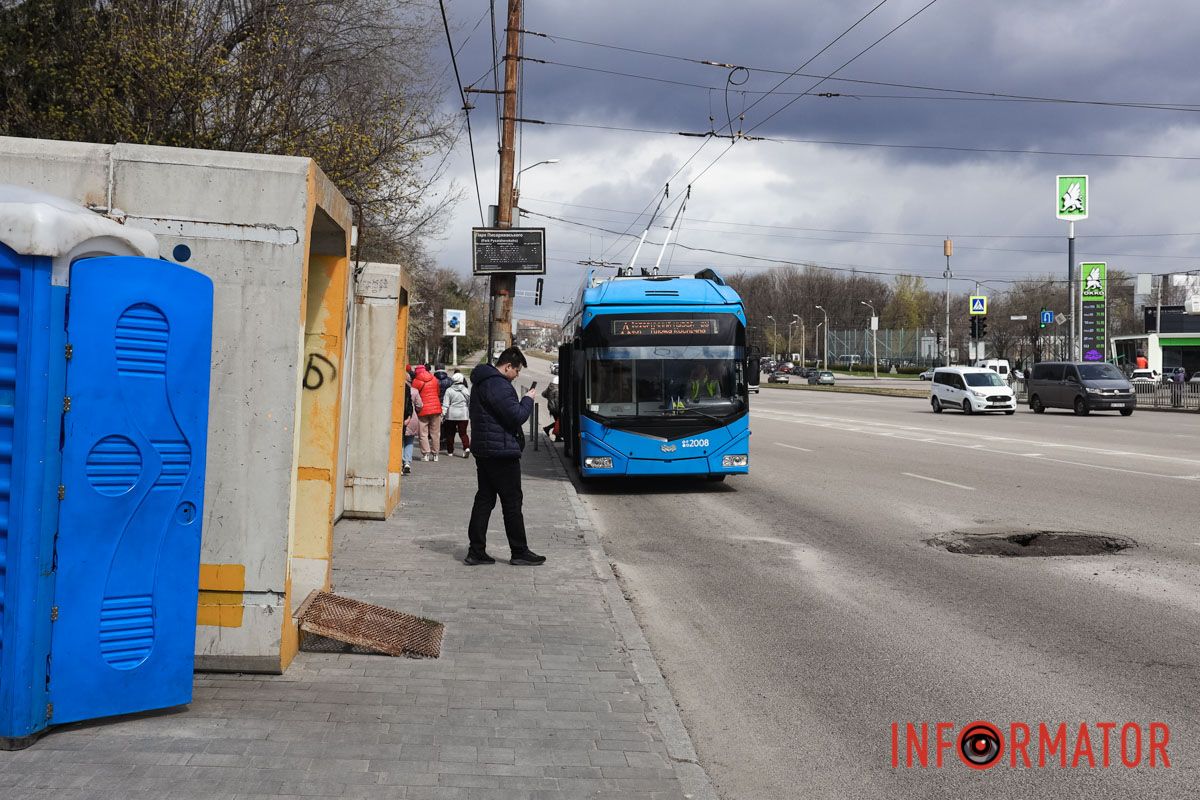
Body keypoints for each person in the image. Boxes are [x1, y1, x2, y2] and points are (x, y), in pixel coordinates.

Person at [465, 347, 544, 566]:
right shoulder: (498, 384)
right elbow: (516, 416)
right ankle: (519, 551)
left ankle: (476, 550)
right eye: (517, 371)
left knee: (485, 499)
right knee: (512, 502)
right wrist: (527, 399)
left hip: (485, 450)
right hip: (501, 453)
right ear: (507, 366)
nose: (517, 375)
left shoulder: (482, 381)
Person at [411, 364, 443, 461]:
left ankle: (426, 454)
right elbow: (438, 392)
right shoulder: (434, 379)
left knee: (423, 433)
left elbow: (414, 395)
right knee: (435, 433)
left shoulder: (416, 381)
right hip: (436, 408)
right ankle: (436, 454)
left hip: (423, 409)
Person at [442, 372, 471, 457]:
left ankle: (450, 451)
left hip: (451, 415)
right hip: (463, 414)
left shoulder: (449, 390)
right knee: (463, 433)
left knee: (450, 433)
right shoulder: (465, 390)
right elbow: (469, 402)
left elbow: (446, 404)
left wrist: (443, 414)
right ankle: (466, 447)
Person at [402, 376, 421, 474]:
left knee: (400, 441)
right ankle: (407, 462)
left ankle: (400, 462)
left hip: (402, 417)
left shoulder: (399, 389)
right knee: (409, 442)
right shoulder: (415, 391)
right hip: (412, 417)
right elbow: (419, 405)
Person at [542, 375, 561, 441]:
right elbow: (557, 402)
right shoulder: (557, 389)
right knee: (559, 422)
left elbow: (543, 394)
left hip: (551, 407)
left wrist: (550, 397)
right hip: (556, 408)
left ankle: (548, 429)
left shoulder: (550, 387)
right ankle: (556, 436)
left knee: (557, 422)